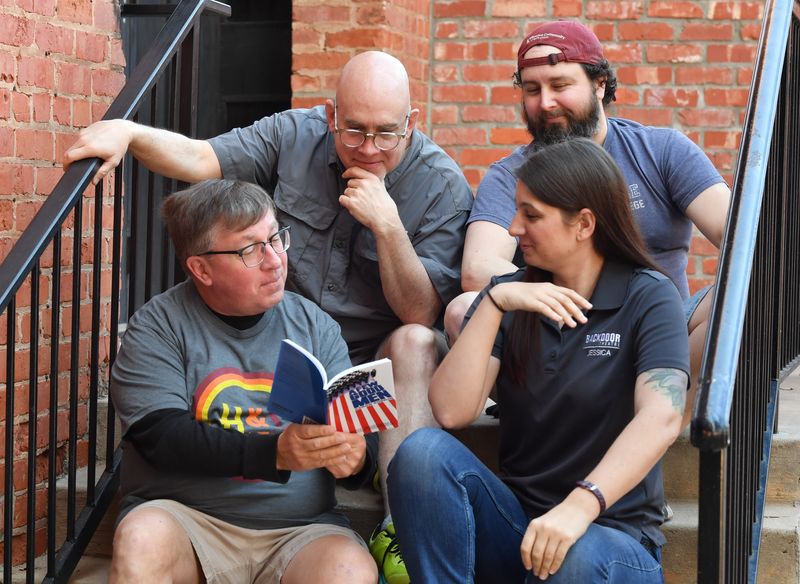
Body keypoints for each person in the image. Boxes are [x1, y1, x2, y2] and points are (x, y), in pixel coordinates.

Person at [65, 50, 473, 582]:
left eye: (386, 134)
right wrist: (129, 133)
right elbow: (201, 157)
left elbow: (421, 311)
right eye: (353, 130)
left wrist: (389, 226)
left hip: (362, 356)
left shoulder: (440, 184)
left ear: (412, 124)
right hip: (270, 329)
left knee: (417, 340)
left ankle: (400, 524)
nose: (369, 148)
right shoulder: (292, 136)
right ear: (330, 115)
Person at [388, 139, 689, 583]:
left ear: (584, 223)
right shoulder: (513, 297)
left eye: (531, 215)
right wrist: (494, 301)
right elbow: (452, 411)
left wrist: (579, 506)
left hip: (612, 541)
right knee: (421, 453)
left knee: (577, 555)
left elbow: (662, 417)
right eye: (515, 211)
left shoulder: (647, 296)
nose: (513, 228)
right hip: (520, 532)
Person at [445, 20, 729, 427]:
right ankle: (551, 421)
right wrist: (566, 302)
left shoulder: (662, 151)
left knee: (740, 300)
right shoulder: (510, 174)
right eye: (532, 89)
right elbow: (478, 270)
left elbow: (742, 239)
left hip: (655, 332)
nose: (545, 103)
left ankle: (662, 429)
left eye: (560, 86)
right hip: (556, 336)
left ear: (599, 85)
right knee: (462, 311)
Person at [109, 179, 376, 583]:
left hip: (300, 530)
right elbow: (160, 436)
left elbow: (356, 436)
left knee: (350, 569)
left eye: (276, 238)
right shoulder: (157, 325)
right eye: (250, 249)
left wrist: (355, 460)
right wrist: (275, 453)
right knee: (141, 539)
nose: (274, 260)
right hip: (189, 523)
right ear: (201, 268)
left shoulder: (315, 324)